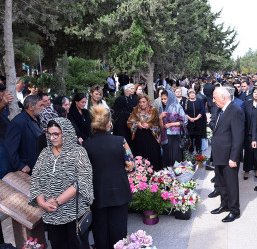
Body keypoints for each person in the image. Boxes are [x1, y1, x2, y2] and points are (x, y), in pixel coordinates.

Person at [29, 118, 94, 249]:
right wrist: (42, 203)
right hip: (51, 214)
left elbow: (82, 181)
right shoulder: (45, 153)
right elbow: (35, 179)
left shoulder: (78, 152)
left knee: (77, 245)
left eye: (56, 134)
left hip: (73, 214)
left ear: (66, 132)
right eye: (49, 134)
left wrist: (57, 201)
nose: (52, 137)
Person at [83, 105, 133, 249]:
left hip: (97, 194)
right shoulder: (120, 141)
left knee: (100, 232)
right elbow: (131, 166)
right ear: (108, 124)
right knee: (119, 231)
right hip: (119, 191)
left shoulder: (86, 145)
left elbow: (84, 172)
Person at [210, 87, 245, 223]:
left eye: (215, 97)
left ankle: (234, 210)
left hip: (229, 156)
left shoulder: (235, 111)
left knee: (231, 185)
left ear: (223, 97)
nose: (213, 100)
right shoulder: (221, 110)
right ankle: (224, 205)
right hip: (219, 154)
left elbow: (238, 137)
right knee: (221, 183)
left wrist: (234, 157)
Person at [5, 95, 44, 174]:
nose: (43, 108)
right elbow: (10, 148)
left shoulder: (37, 119)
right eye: (40, 105)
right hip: (26, 170)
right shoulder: (18, 122)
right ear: (31, 107)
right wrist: (20, 166)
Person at [127, 95, 162, 170]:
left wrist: (150, 125)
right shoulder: (135, 110)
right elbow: (129, 122)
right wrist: (137, 125)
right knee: (140, 157)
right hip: (139, 138)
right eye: (140, 102)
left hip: (151, 138)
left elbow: (159, 124)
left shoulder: (154, 111)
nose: (142, 104)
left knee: (152, 157)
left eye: (144, 102)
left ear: (148, 102)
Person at [159, 90, 188, 167]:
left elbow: (185, 121)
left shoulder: (177, 107)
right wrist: (160, 118)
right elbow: (161, 126)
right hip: (165, 137)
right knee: (166, 158)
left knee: (175, 158)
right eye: (162, 99)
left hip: (175, 136)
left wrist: (171, 124)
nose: (163, 101)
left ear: (170, 98)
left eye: (165, 98)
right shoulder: (161, 108)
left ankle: (177, 176)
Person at [243, 87, 257, 180]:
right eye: (254, 92)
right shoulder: (247, 103)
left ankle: (256, 169)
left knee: (256, 153)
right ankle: (246, 170)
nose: (255, 94)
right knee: (248, 152)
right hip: (248, 132)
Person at [112, 84, 137, 150]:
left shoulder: (128, 99)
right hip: (122, 125)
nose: (129, 92)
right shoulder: (122, 99)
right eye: (127, 91)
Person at [185, 89, 205, 155]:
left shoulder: (199, 101)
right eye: (190, 93)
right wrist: (190, 118)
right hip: (190, 123)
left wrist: (196, 118)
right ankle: (191, 151)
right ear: (188, 95)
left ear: (195, 94)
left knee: (198, 138)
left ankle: (199, 152)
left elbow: (202, 110)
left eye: (193, 93)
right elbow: (184, 112)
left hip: (198, 122)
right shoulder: (186, 102)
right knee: (190, 138)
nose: (192, 94)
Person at [0, 84, 14, 178]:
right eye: (1, 91)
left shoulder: (10, 104)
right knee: (4, 174)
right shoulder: (3, 104)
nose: (4, 93)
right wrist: (1, 105)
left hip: (12, 145)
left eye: (4, 90)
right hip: (1, 146)